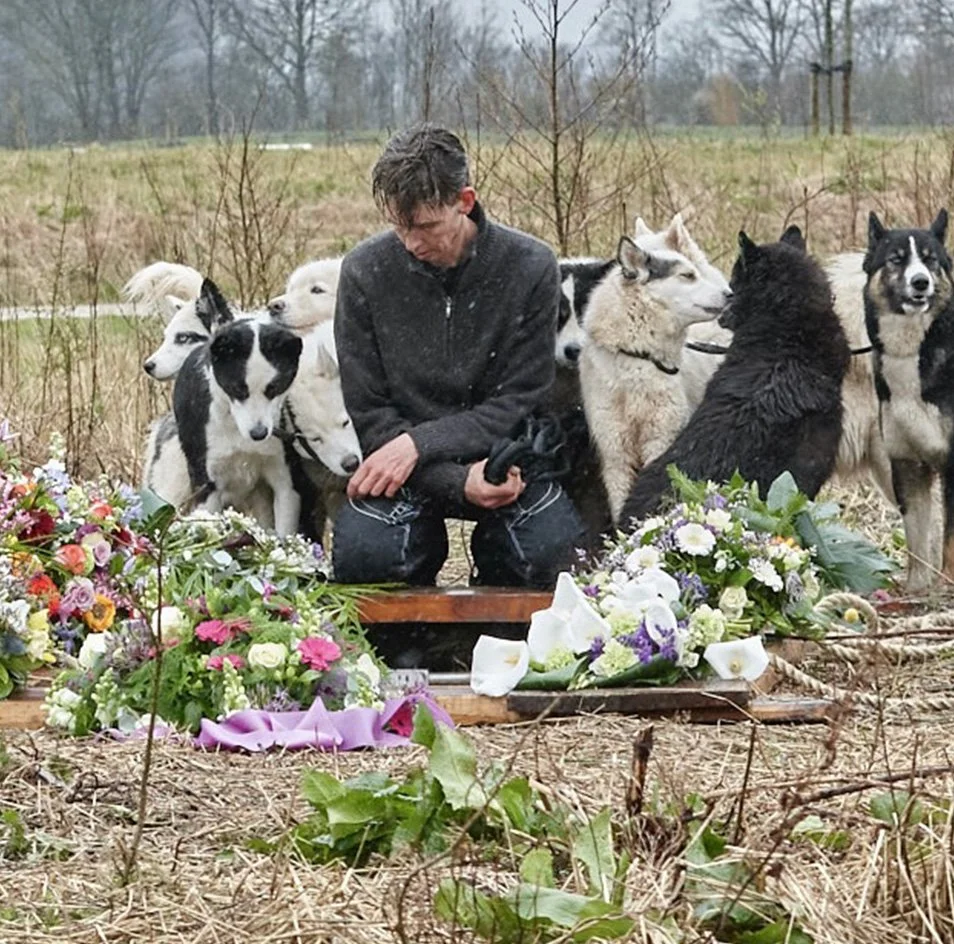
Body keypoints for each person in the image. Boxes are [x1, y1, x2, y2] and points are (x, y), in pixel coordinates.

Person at [331, 123, 584, 588]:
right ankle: (410, 647)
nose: (411, 243)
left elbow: (520, 400)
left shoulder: (530, 266)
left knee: (550, 555)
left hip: (506, 459)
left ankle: (503, 630)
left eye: (425, 226)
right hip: (401, 473)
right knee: (366, 556)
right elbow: (369, 412)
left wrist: (419, 445)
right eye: (399, 226)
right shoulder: (365, 272)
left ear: (464, 201)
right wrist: (451, 478)